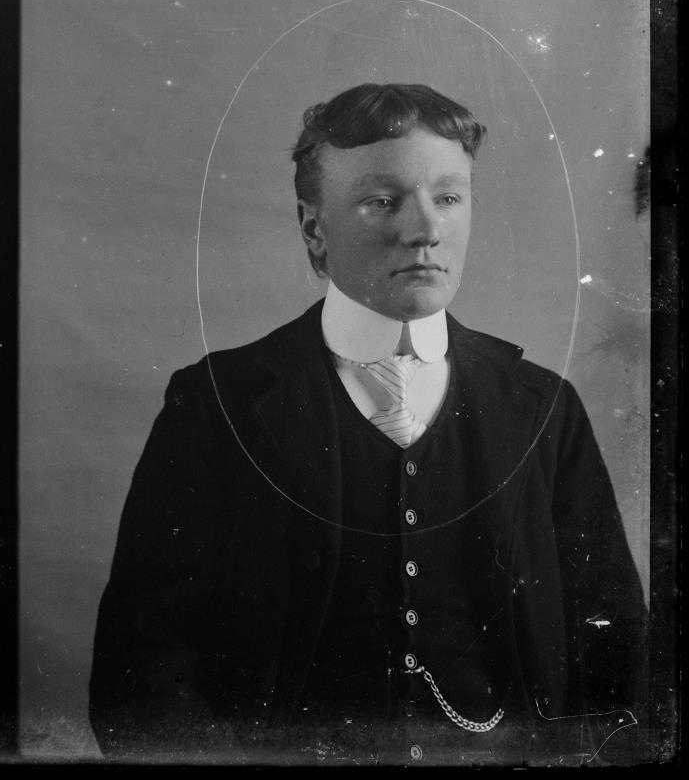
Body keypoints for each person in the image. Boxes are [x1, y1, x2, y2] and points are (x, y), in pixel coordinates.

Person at [90, 83, 646, 765]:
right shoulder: (217, 403)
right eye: (382, 201)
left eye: (448, 198)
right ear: (314, 230)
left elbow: (614, 645)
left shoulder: (542, 405)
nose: (426, 230)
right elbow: (144, 662)